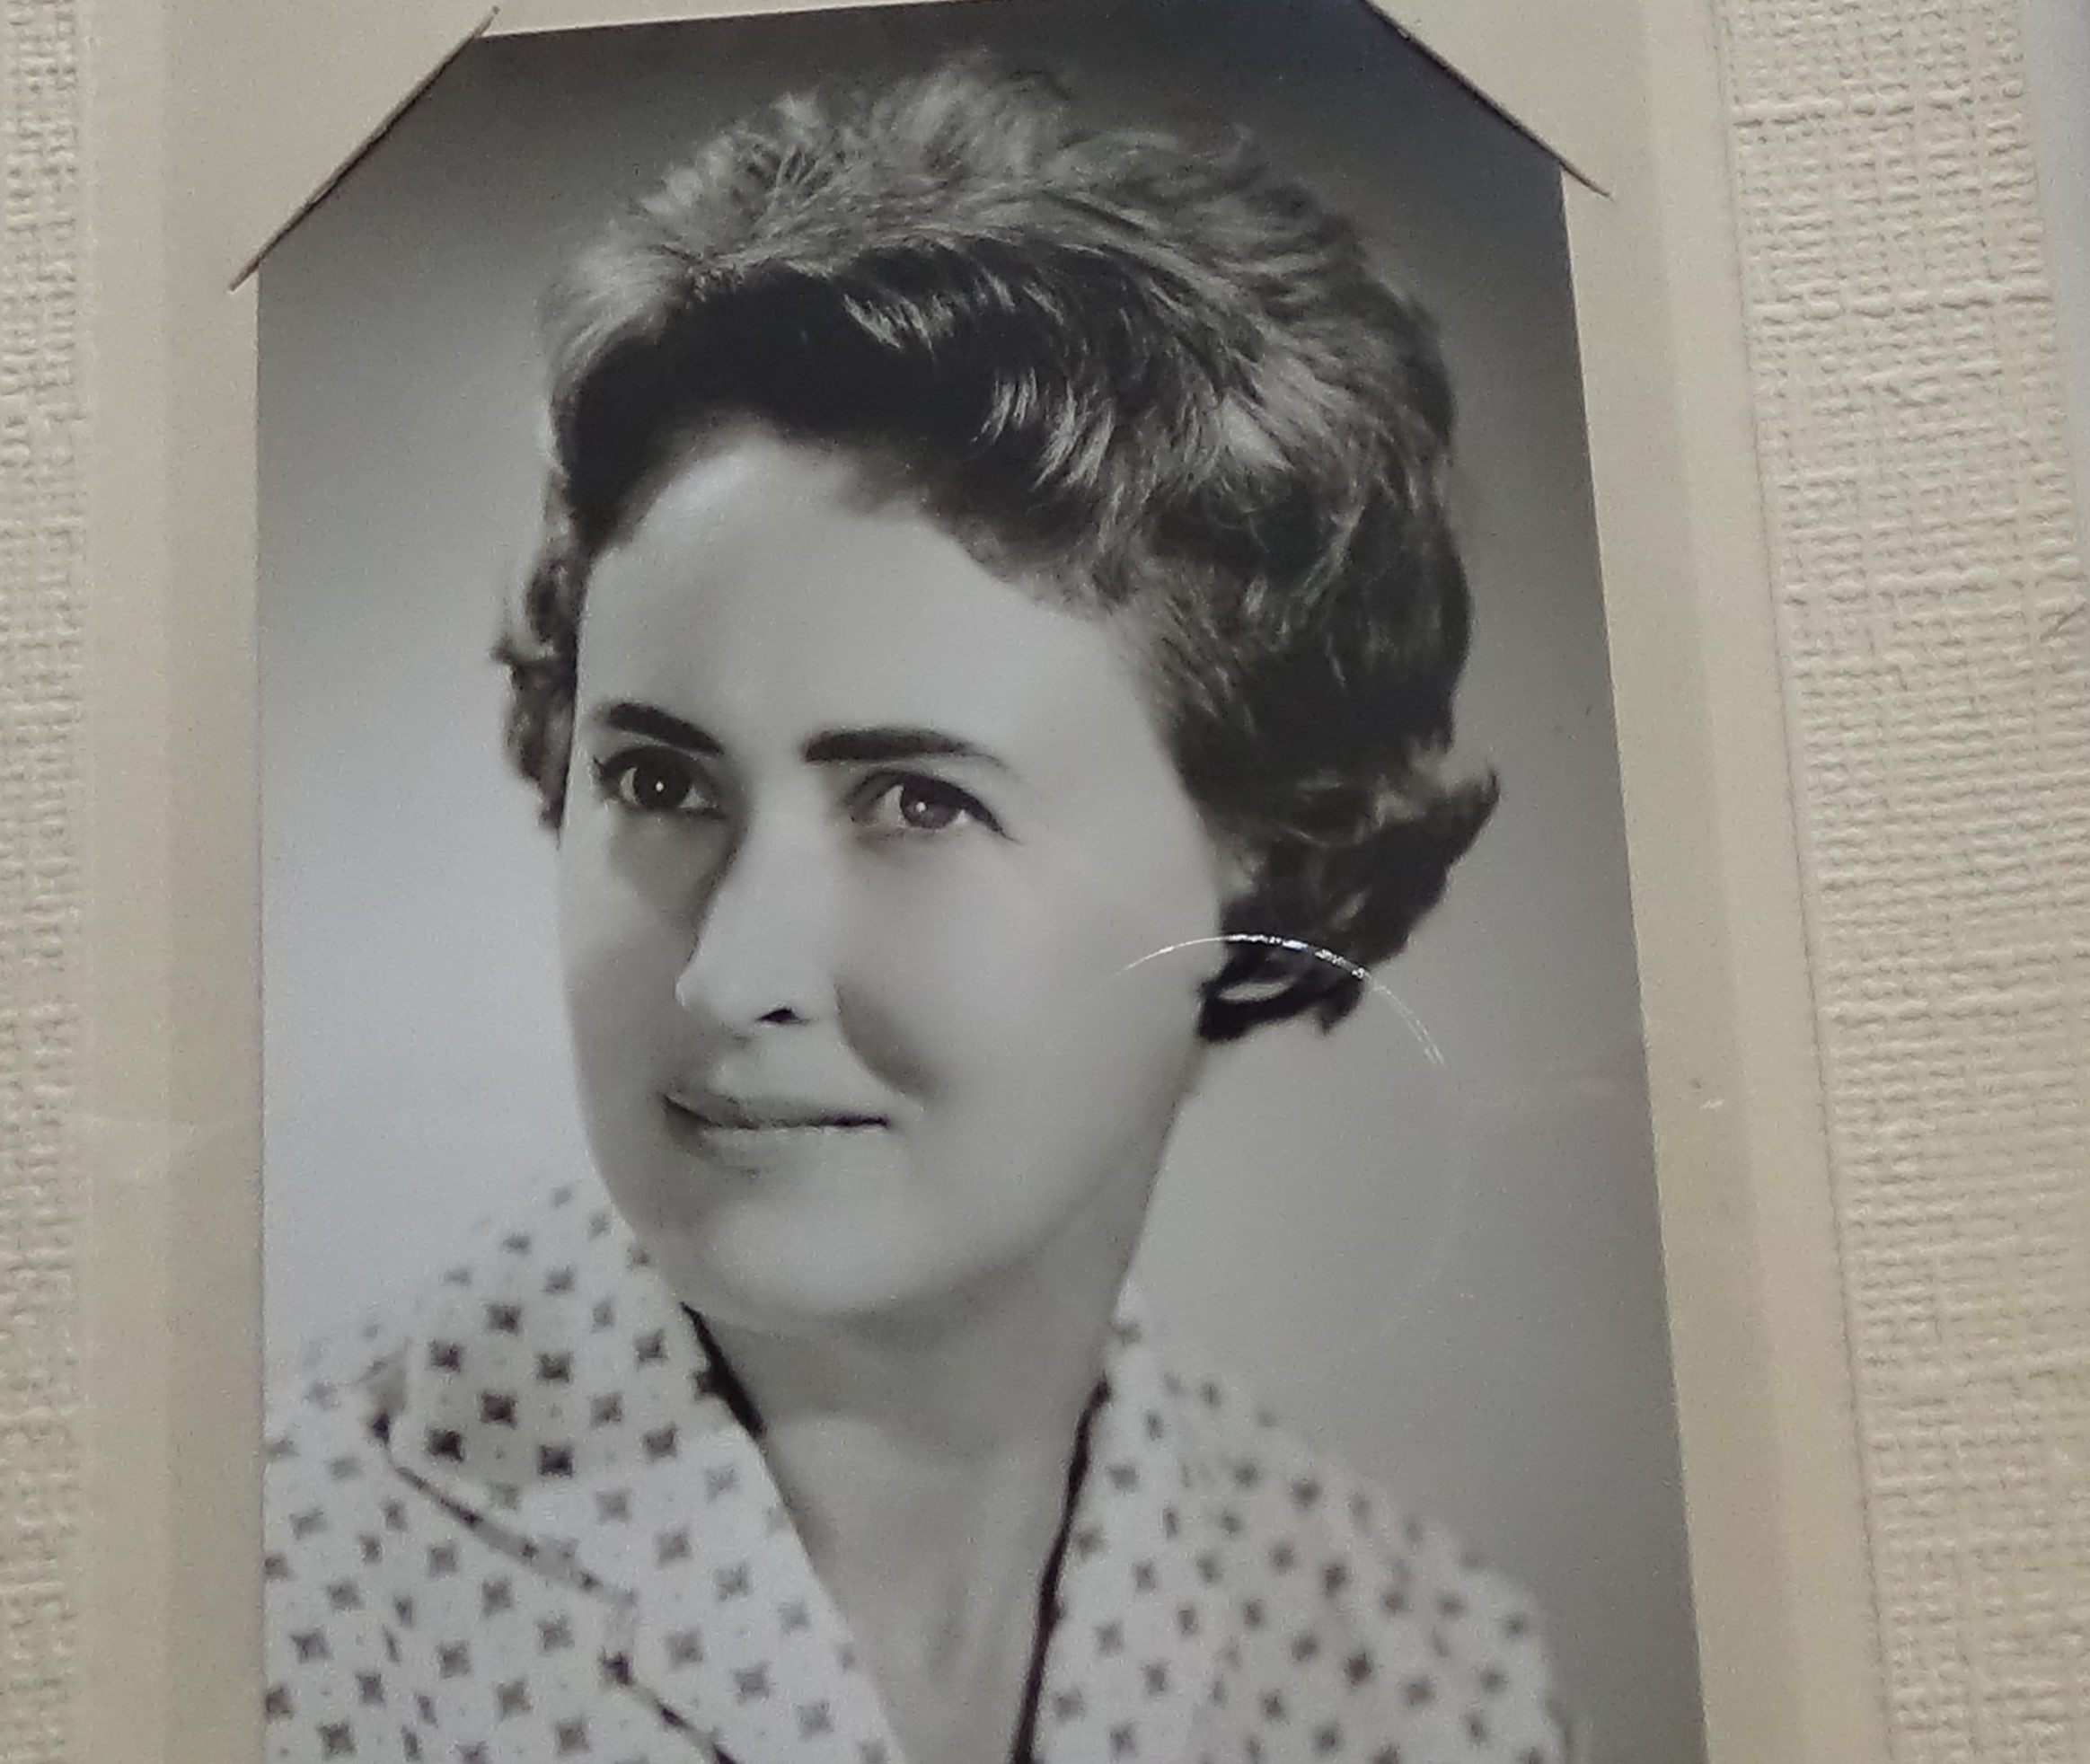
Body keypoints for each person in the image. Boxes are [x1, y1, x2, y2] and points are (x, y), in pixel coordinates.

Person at [264, 58, 1571, 1764]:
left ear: (1264, 849)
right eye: (658, 779)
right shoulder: (269, 1613)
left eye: (920, 802)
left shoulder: (1417, 1681)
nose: (732, 971)